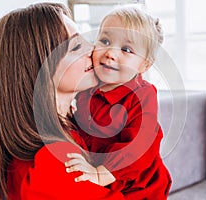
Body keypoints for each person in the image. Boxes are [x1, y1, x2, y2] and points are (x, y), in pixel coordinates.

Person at [0, 3, 124, 200]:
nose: (93, 49)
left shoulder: (74, 130)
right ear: (38, 69)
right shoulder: (52, 162)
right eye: (76, 46)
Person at [67, 7, 172, 199]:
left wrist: (103, 172)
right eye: (105, 41)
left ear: (145, 65)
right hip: (101, 175)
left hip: (139, 185)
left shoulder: (142, 95)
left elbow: (141, 145)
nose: (111, 53)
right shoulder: (87, 86)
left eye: (126, 49)